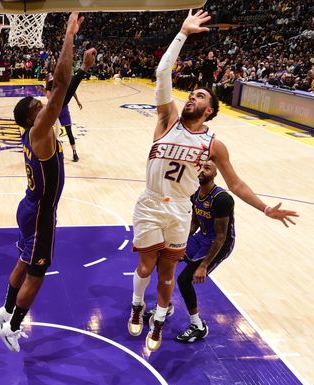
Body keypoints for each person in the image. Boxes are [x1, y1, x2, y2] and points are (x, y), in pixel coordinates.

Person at [128, 10, 298, 351]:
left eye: (200, 96)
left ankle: (158, 322)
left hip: (178, 209)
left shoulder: (213, 143)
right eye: (191, 94)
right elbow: (163, 72)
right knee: (145, 266)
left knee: (167, 274)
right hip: (150, 201)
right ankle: (136, 304)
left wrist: (265, 209)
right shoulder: (167, 119)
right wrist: (183, 34)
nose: (192, 97)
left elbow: (235, 184)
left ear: (210, 110)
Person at [0, 13, 97, 352]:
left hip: (27, 206)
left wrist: (83, 70)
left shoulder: (35, 130)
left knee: (23, 259)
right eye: (40, 105)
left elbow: (61, 97)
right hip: (40, 213)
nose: (46, 102)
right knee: (37, 272)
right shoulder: (40, 132)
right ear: (31, 117)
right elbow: (60, 83)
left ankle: (5, 309)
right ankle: (13, 325)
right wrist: (69, 36)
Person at [144, 160, 234, 342]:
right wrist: (181, 241)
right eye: (201, 167)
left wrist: (203, 266)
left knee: (184, 280)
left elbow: (221, 236)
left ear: (215, 174)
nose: (202, 170)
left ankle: (198, 325)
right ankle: (166, 306)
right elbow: (194, 220)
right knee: (165, 261)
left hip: (219, 244)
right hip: (202, 237)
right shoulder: (194, 194)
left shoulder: (222, 199)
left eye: (208, 168)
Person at [45, 68, 83, 162]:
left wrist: (45, 89)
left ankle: (52, 153)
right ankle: (74, 153)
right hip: (64, 109)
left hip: (55, 110)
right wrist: (78, 101)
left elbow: (49, 98)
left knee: (52, 133)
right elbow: (72, 91)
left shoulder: (50, 83)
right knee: (69, 132)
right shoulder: (65, 82)